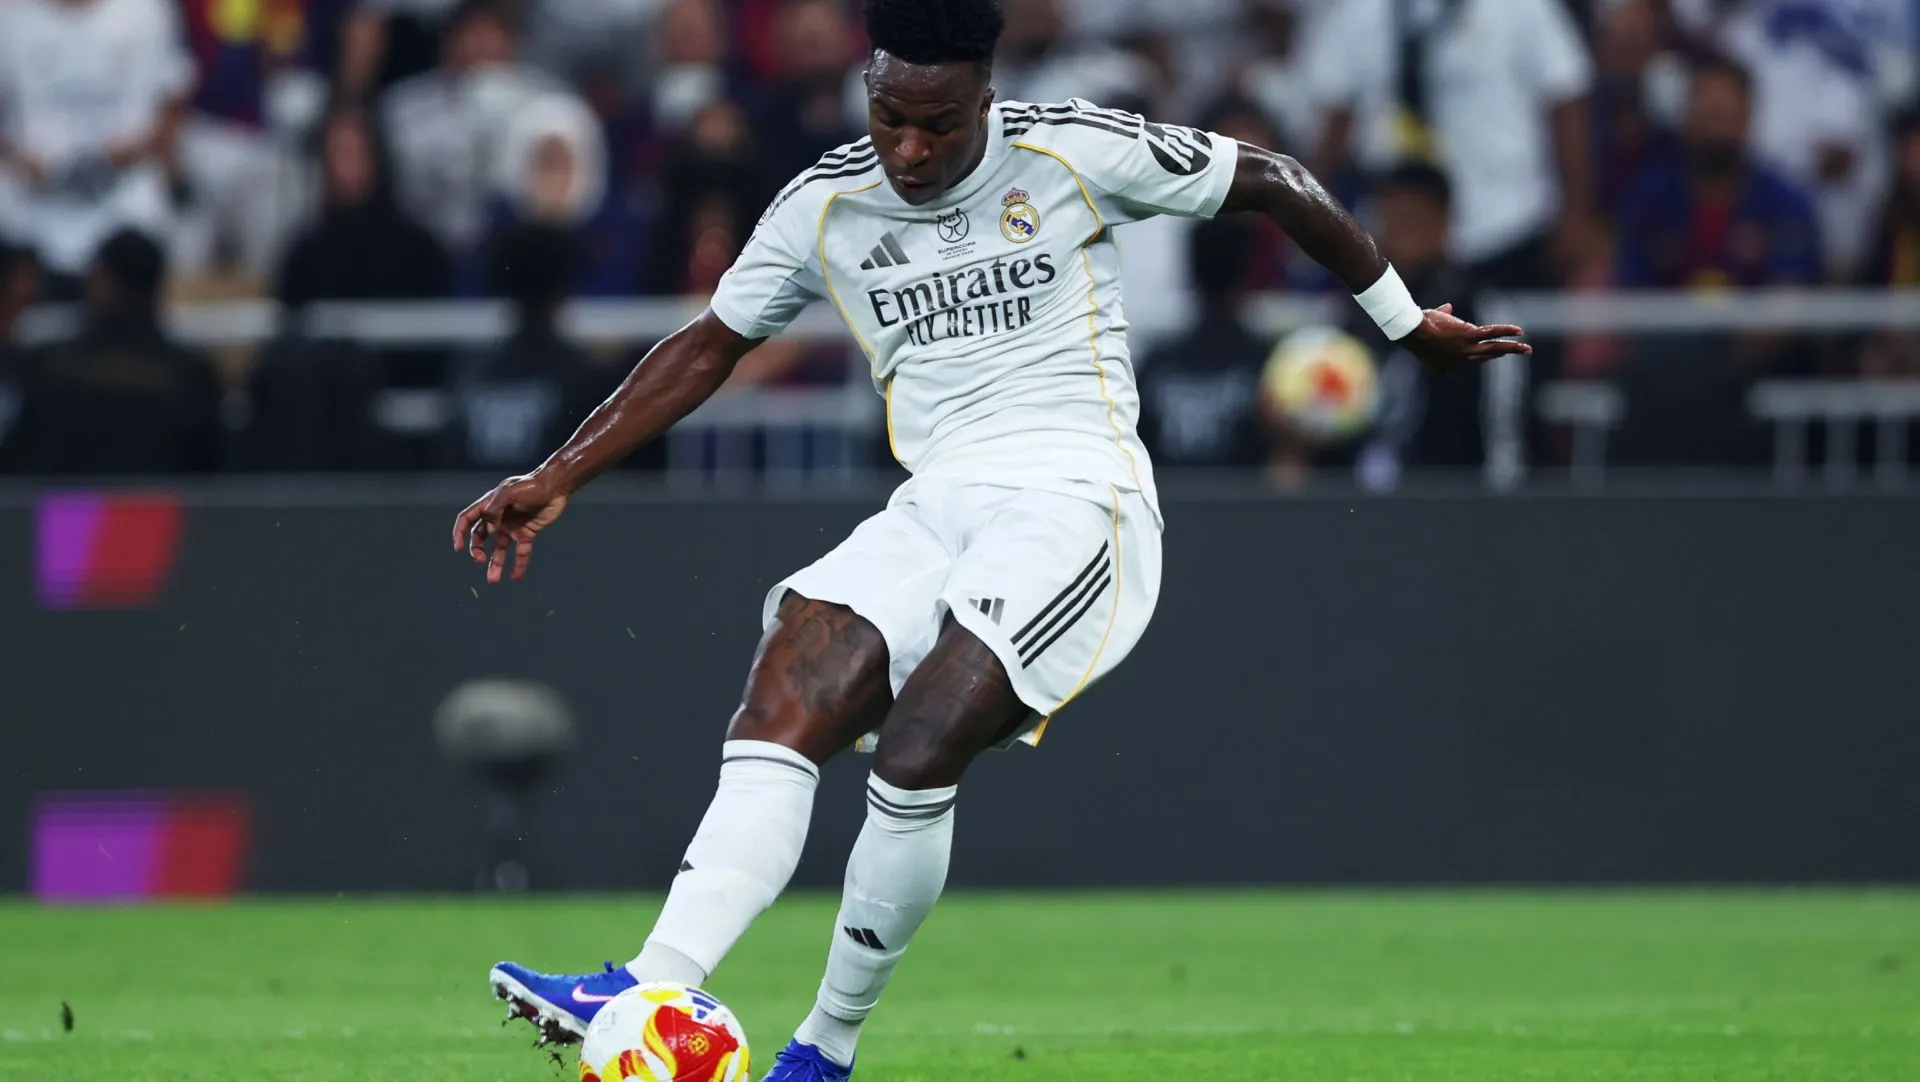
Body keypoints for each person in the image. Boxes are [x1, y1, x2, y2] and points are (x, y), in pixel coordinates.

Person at [454, 1, 1529, 1078]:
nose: (910, 149)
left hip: (1078, 501)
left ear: (985, 97)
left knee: (921, 746)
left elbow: (1272, 179)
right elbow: (707, 343)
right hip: (939, 502)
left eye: (939, 123)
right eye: (889, 117)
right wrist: (558, 474)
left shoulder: (1073, 149)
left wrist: (1401, 322)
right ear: (866, 89)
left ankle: (822, 1050)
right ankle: (653, 980)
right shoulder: (824, 201)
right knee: (784, 690)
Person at [2, 229, 222, 474]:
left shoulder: (47, 366)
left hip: (65, 511)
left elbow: (17, 466)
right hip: (162, 511)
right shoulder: (193, 375)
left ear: (101, 282)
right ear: (159, 287)